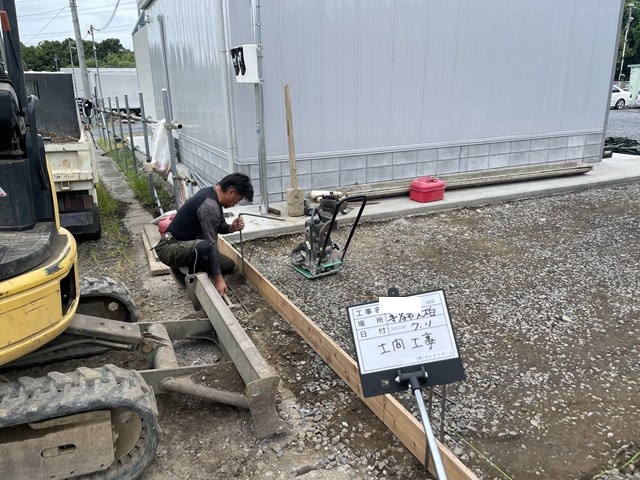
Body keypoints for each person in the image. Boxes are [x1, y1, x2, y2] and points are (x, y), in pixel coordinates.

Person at [154, 173, 253, 296]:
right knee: (205, 247)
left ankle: (185, 267)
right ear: (231, 192)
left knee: (228, 265)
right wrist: (218, 279)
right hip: (170, 247)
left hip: (186, 246)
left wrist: (231, 227)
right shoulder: (209, 205)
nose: (236, 203)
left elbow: (219, 226)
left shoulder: (212, 196)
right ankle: (190, 279)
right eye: (238, 199)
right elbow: (211, 243)